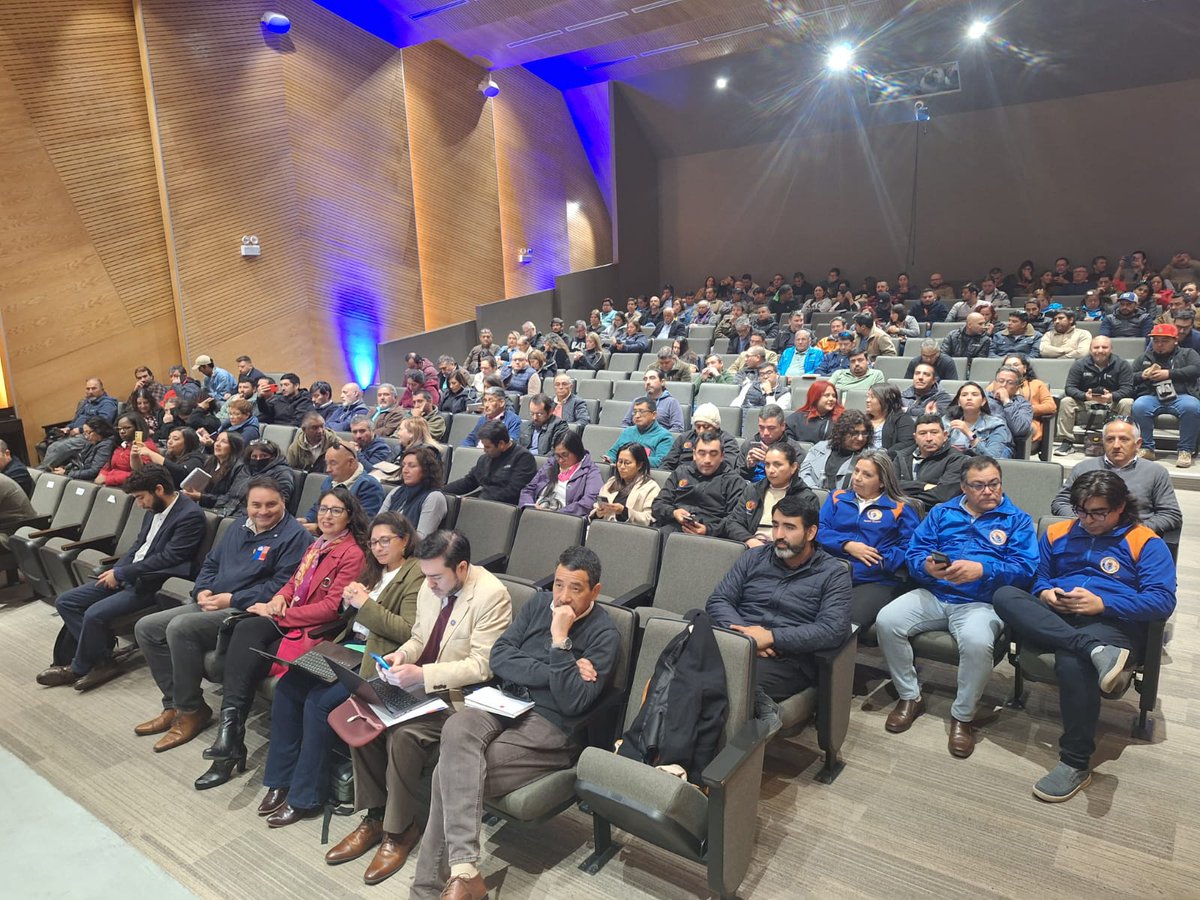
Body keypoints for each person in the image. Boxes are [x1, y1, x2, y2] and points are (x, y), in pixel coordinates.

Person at [409, 547, 616, 900]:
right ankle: (465, 872)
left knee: (450, 775)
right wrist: (557, 670)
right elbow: (501, 656)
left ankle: (432, 888)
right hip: (505, 701)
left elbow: (571, 701)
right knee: (456, 728)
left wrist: (560, 641)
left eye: (576, 588)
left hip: (550, 724)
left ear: (595, 591)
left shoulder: (605, 635)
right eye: (559, 585)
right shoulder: (538, 603)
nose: (563, 597)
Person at [992, 471, 1175, 802]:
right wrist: (1046, 591)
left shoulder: (1145, 542)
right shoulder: (1057, 533)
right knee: (1005, 595)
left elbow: (1162, 600)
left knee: (1072, 663)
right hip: (1060, 615)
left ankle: (1075, 763)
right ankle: (1093, 650)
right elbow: (1039, 577)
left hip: (1111, 621)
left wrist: (1103, 603)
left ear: (1121, 507)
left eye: (1099, 513)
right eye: (1081, 510)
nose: (1088, 520)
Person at [193, 489, 368, 791]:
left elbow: (330, 609)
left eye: (336, 511)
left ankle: (229, 746)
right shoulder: (317, 544)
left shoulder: (352, 553)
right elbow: (293, 582)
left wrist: (280, 616)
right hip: (290, 618)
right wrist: (278, 599)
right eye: (323, 509)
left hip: (315, 629)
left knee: (247, 643)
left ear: (350, 516)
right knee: (245, 629)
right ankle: (230, 735)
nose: (326, 516)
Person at [259, 511, 421, 830]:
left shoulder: (415, 575)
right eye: (373, 542)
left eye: (385, 540)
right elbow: (353, 617)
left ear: (404, 540)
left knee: (318, 703)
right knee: (289, 687)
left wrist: (365, 605)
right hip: (346, 647)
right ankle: (280, 780)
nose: (377, 548)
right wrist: (350, 605)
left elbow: (408, 631)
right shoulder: (373, 570)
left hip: (377, 660)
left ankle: (305, 796)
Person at [132, 477, 314, 752]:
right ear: (247, 504)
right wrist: (202, 590)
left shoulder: (295, 537)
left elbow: (281, 588)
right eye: (256, 505)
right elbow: (212, 562)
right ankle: (174, 704)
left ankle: (190, 710)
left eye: (270, 505)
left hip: (246, 611)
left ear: (284, 502)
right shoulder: (239, 526)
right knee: (146, 627)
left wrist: (232, 599)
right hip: (212, 602)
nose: (262, 511)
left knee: (180, 627)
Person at [875, 456, 1037, 758]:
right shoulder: (941, 512)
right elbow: (915, 551)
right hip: (935, 593)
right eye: (978, 485)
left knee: (977, 642)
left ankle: (963, 716)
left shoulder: (1017, 520)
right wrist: (925, 567)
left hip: (981, 601)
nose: (988, 491)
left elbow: (1026, 568)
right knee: (887, 620)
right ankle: (910, 696)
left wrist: (983, 569)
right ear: (963, 487)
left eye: (994, 484)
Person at [36, 465, 207, 692]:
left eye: (140, 498)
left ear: (158, 489)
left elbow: (171, 558)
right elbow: (139, 546)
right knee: (65, 602)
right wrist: (117, 570)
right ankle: (103, 660)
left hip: (153, 582)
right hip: (130, 574)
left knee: (94, 614)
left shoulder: (190, 515)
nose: (139, 504)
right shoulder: (152, 511)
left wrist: (122, 573)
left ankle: (79, 667)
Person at [706, 492, 852, 704]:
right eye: (775, 525)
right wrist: (748, 637)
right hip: (736, 639)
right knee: (693, 625)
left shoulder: (833, 573)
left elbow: (832, 630)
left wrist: (772, 637)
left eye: (789, 527)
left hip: (786, 659)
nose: (779, 534)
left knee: (728, 682)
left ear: (811, 532)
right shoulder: (753, 557)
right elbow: (719, 600)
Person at [817, 451, 921, 627]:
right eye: (856, 471)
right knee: (800, 609)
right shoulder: (837, 497)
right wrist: (847, 545)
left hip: (874, 579)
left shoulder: (901, 508)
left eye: (867, 475)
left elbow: (910, 546)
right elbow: (818, 530)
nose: (857, 478)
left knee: (844, 623)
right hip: (831, 571)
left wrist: (882, 563)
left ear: (882, 482)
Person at [1051, 419, 1182, 538]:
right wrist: (1086, 521)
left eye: (1124, 439)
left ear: (1138, 444)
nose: (1116, 445)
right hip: (1086, 536)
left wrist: (1137, 530)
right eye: (1110, 439)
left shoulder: (1156, 472)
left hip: (1133, 539)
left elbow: (1171, 514)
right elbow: (1061, 502)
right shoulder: (1083, 468)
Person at [651, 432, 753, 540]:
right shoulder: (681, 472)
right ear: (694, 454)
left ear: (722, 456)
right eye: (702, 453)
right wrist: (673, 512)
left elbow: (735, 520)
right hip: (673, 529)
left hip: (712, 538)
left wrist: (708, 530)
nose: (707, 460)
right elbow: (658, 505)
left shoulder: (734, 482)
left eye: (713, 454)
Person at [1129, 323, 1200, 467]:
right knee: (1139, 405)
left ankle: (1185, 450)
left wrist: (1169, 373)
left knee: (1192, 406)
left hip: (1181, 396)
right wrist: (1142, 375)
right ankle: (1147, 448)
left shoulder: (1188, 353)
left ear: (1175, 340)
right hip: (1152, 396)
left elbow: (1196, 369)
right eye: (1156, 341)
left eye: (1164, 341)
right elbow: (1129, 376)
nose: (1159, 344)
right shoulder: (1145, 357)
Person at [1055, 336, 1135, 454]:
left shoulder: (1122, 364)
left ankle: (1122, 441)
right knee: (1067, 401)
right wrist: (1085, 396)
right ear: (1090, 349)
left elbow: (1128, 389)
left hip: (1112, 401)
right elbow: (1070, 388)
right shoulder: (1079, 364)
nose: (1100, 350)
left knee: (1127, 402)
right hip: (1087, 401)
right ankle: (1067, 442)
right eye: (1096, 347)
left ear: (1111, 349)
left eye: (1104, 347)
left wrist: (1112, 396)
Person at [736, 442, 811, 548]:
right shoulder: (753, 490)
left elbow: (805, 535)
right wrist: (750, 540)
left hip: (783, 550)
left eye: (777, 465)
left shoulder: (805, 497)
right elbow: (733, 522)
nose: (771, 470)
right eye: (767, 465)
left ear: (793, 467)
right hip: (750, 546)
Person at [444, 419, 537, 505]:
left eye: (487, 447)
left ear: (501, 444)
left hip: (504, 508)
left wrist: (478, 500)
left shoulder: (523, 458)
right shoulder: (485, 459)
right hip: (483, 503)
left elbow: (513, 491)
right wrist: (441, 490)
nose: (484, 450)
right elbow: (469, 482)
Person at [519, 431, 602, 517]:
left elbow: (590, 501)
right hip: (536, 513)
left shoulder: (590, 470)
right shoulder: (551, 464)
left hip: (564, 519)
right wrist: (530, 506)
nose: (560, 460)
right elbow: (529, 489)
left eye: (564, 455)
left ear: (577, 451)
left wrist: (557, 514)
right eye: (557, 455)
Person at [300, 443, 385, 527]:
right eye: (327, 463)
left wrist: (319, 529)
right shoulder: (329, 481)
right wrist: (307, 520)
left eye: (333, 463)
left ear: (351, 462)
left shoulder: (369, 486)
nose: (328, 469)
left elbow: (363, 525)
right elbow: (319, 506)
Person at [895, 414, 968, 510]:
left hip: (937, 515)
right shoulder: (902, 456)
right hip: (901, 513)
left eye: (934, 432)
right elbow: (891, 486)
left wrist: (904, 501)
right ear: (915, 437)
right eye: (922, 433)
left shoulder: (956, 459)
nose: (929, 438)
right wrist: (923, 486)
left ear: (945, 435)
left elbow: (943, 495)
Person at [380, 446, 448, 538]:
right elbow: (377, 523)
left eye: (412, 466)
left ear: (426, 470)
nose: (405, 470)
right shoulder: (396, 491)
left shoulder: (434, 497)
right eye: (403, 465)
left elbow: (421, 539)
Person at [799, 408, 871, 491]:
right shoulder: (819, 448)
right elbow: (803, 474)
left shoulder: (870, 456)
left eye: (864, 433)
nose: (860, 438)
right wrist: (819, 495)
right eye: (854, 433)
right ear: (842, 432)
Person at [994, 355, 1056, 449]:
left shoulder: (1037, 384)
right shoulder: (997, 384)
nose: (1012, 368)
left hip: (1028, 421)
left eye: (1015, 365)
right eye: (1008, 365)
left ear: (1025, 368)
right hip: (1000, 419)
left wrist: (1026, 409)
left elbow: (1051, 406)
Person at [591, 443, 660, 526]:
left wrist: (624, 512)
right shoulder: (612, 481)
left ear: (640, 465)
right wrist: (598, 513)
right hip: (605, 529)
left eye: (627, 463)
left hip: (631, 534)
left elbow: (649, 518)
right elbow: (595, 509)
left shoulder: (651, 487)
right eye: (620, 462)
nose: (622, 466)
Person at [944, 382, 1014, 458]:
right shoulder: (947, 421)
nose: (969, 398)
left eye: (974, 394)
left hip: (979, 467)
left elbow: (993, 459)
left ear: (983, 401)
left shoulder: (996, 425)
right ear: (959, 402)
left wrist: (969, 434)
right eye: (964, 395)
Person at [605, 397, 674, 468]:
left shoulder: (664, 436)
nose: (637, 416)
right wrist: (610, 458)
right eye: (635, 412)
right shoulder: (628, 431)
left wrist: (634, 459)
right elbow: (613, 452)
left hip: (646, 475)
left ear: (653, 415)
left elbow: (660, 461)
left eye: (641, 412)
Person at [48, 416, 115, 482]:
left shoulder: (106, 446)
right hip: (80, 475)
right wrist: (65, 468)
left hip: (90, 480)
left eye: (88, 433)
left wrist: (67, 473)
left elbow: (94, 472)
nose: (86, 437)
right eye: (84, 433)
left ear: (99, 430)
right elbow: (79, 460)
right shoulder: (92, 441)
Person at [97, 413, 156, 487]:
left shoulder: (146, 447)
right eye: (119, 429)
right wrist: (102, 474)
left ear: (138, 429)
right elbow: (107, 466)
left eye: (127, 428)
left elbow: (141, 474)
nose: (122, 431)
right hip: (111, 485)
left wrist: (108, 479)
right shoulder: (120, 445)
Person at [619, 370, 684, 433]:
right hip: (636, 440)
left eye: (652, 378)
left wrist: (657, 437)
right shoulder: (637, 401)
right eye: (645, 379)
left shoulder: (672, 402)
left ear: (662, 382)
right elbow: (625, 424)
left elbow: (677, 429)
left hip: (659, 441)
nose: (647, 382)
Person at [785, 380, 843, 444]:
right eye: (827, 395)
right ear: (815, 397)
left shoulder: (841, 418)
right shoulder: (798, 417)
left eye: (834, 396)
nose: (831, 399)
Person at [866, 384, 916, 454]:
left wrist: (883, 457)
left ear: (887, 399)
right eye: (867, 396)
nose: (867, 400)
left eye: (872, 397)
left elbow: (906, 443)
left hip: (888, 461)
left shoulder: (903, 419)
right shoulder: (864, 420)